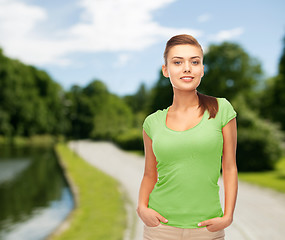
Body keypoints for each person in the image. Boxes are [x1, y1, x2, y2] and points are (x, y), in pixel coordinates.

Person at [136, 34, 238, 240]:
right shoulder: (152, 123)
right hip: (160, 229)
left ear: (202, 69)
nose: (187, 68)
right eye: (177, 62)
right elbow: (149, 174)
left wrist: (228, 216)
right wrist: (141, 207)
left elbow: (229, 167)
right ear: (166, 70)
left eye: (194, 61)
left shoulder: (221, 109)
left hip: (207, 228)